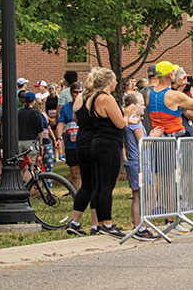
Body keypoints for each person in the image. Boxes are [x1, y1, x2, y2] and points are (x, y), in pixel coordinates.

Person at [67, 67, 127, 238]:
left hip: (82, 139)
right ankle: (101, 223)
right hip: (101, 140)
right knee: (101, 184)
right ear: (107, 81)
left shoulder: (81, 97)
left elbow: (77, 119)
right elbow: (120, 123)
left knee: (90, 185)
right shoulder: (102, 98)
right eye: (114, 79)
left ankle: (79, 222)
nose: (116, 82)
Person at [123, 91, 156, 240]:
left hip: (138, 161)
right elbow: (143, 143)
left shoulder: (134, 121)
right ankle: (139, 227)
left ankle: (141, 225)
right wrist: (154, 137)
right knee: (139, 195)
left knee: (140, 195)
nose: (144, 107)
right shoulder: (134, 122)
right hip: (138, 162)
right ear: (133, 106)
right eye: (141, 104)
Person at [145, 61, 193, 136]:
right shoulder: (175, 95)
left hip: (158, 139)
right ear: (170, 75)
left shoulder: (149, 93)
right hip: (174, 139)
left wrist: (177, 86)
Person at [56, 82, 84, 190]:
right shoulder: (66, 108)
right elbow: (60, 124)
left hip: (84, 143)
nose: (78, 94)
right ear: (71, 93)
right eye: (76, 92)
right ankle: (77, 194)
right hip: (71, 145)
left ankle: (86, 195)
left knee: (85, 171)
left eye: (80, 92)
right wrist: (58, 138)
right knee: (74, 172)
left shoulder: (87, 106)